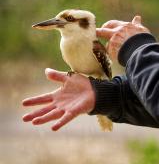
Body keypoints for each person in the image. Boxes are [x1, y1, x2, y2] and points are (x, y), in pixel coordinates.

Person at [22, 16, 159, 131]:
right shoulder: (64, 44)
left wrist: (136, 46)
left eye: (69, 18)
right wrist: (107, 96)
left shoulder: (94, 44)